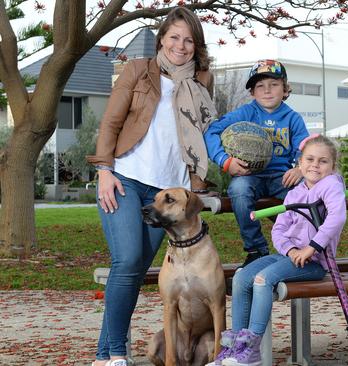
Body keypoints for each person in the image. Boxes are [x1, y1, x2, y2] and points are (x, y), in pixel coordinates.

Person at [86, 7, 216, 366]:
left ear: (196, 45)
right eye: (174, 36)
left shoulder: (202, 81)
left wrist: (198, 185)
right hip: (125, 178)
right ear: (162, 38)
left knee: (132, 272)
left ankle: (103, 355)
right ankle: (114, 355)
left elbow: (203, 135)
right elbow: (111, 122)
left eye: (189, 39)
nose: (181, 45)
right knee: (126, 261)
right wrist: (104, 170)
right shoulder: (137, 70)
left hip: (167, 192)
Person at [210, 134, 347, 366]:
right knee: (242, 277)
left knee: (263, 279)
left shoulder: (331, 186)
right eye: (310, 159)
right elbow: (279, 229)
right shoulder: (294, 193)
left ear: (332, 166)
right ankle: (236, 349)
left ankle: (251, 351)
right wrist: (291, 249)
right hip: (291, 256)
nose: (315, 165)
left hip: (314, 262)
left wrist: (310, 247)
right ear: (300, 163)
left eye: (323, 161)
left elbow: (336, 217)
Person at [204, 59, 309, 267]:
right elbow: (211, 132)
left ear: (285, 89)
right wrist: (226, 162)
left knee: (306, 194)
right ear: (252, 92)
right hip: (249, 175)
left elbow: (306, 148)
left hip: (282, 177)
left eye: (274, 85)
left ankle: (302, 248)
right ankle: (256, 249)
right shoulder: (245, 113)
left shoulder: (293, 118)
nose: (267, 91)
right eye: (260, 86)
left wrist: (300, 168)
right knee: (239, 191)